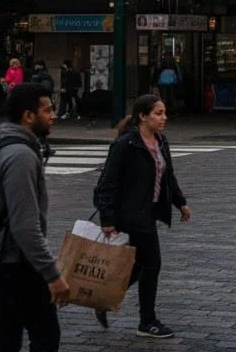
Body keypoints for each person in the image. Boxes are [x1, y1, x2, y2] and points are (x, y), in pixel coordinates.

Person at [0, 82, 69, 352]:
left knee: (6, 342)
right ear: (28, 115)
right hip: (13, 264)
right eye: (48, 110)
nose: (53, 115)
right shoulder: (20, 156)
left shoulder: (2, 143)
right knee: (46, 337)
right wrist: (52, 275)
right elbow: (25, 227)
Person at [93, 94, 191, 339]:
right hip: (131, 214)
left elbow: (168, 176)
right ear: (142, 116)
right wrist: (107, 220)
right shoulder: (126, 144)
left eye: (164, 113)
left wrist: (181, 203)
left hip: (148, 212)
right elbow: (107, 184)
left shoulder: (161, 141)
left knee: (137, 266)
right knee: (152, 264)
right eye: (158, 113)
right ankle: (147, 322)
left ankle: (104, 299)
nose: (163, 118)